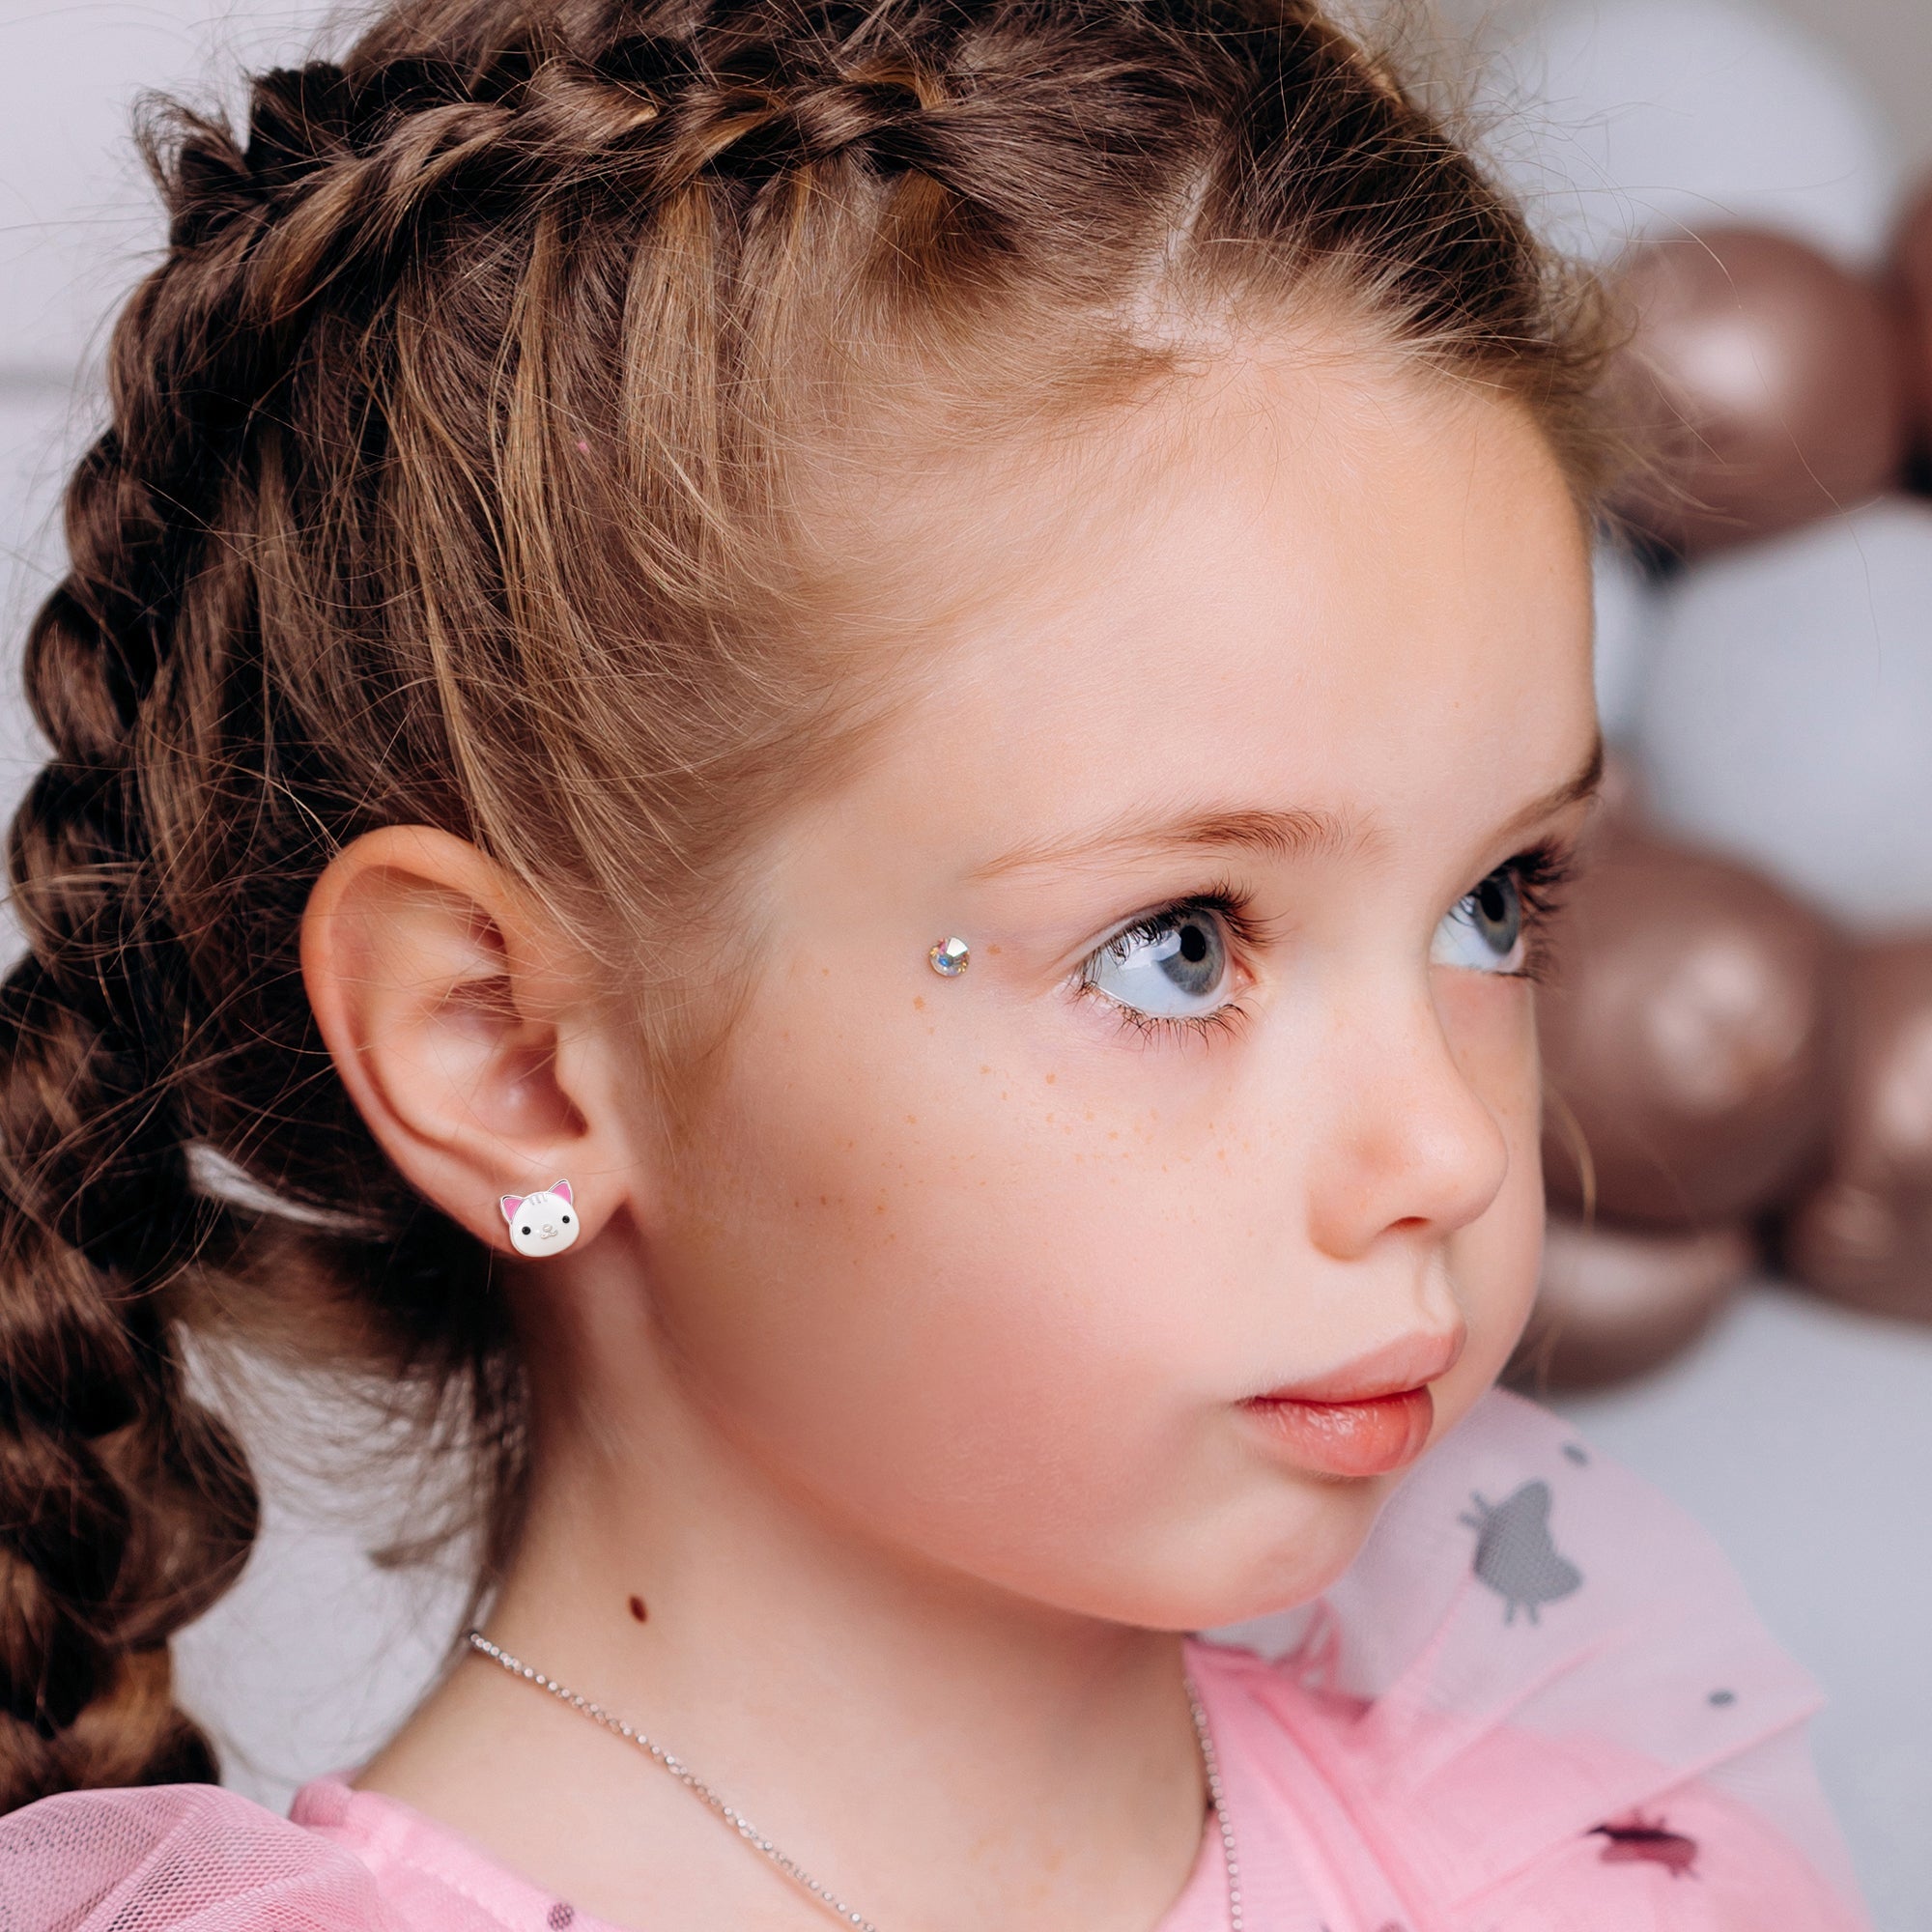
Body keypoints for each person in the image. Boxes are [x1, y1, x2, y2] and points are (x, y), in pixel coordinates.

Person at [0, 0, 1870, 1926]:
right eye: (1175, 947)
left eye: (1492, 905)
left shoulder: (1589, 1870)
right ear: (512, 1054)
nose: (1449, 1153)